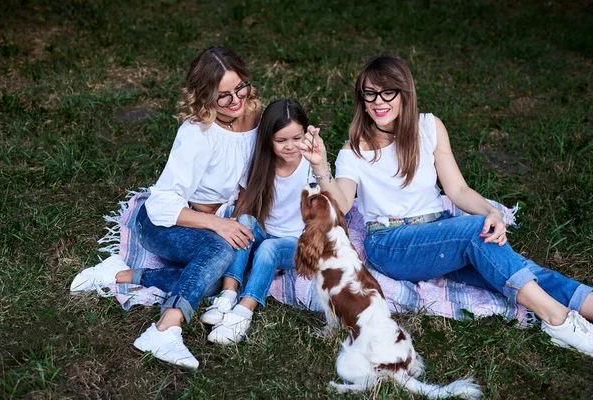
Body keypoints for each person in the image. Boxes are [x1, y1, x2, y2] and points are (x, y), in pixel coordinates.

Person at [298, 55, 593, 357]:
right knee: (477, 234)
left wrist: (493, 212)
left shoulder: (429, 127)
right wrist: (321, 165)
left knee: (522, 270)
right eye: (370, 93)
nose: (378, 101)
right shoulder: (355, 148)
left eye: (388, 92)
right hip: (391, 244)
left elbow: (458, 189)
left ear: (404, 93)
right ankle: (556, 319)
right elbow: (343, 205)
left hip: (439, 231)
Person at [70, 46, 262, 368]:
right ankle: (164, 329)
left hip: (210, 218)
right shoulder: (197, 134)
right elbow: (161, 206)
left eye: (239, 88)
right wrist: (217, 224)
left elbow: (247, 179)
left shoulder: (252, 116)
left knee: (215, 280)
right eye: (223, 96)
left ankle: (119, 273)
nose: (235, 101)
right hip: (163, 222)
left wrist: (235, 220)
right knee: (218, 254)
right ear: (203, 97)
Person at [199, 98, 316, 344]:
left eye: (297, 138)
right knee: (244, 221)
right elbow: (244, 203)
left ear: (306, 134)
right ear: (268, 140)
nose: (290, 147)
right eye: (281, 140)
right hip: (266, 231)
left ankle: (244, 311)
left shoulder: (311, 167)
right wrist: (231, 227)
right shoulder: (260, 163)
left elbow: (323, 215)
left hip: (295, 244)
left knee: (268, 248)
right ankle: (228, 294)